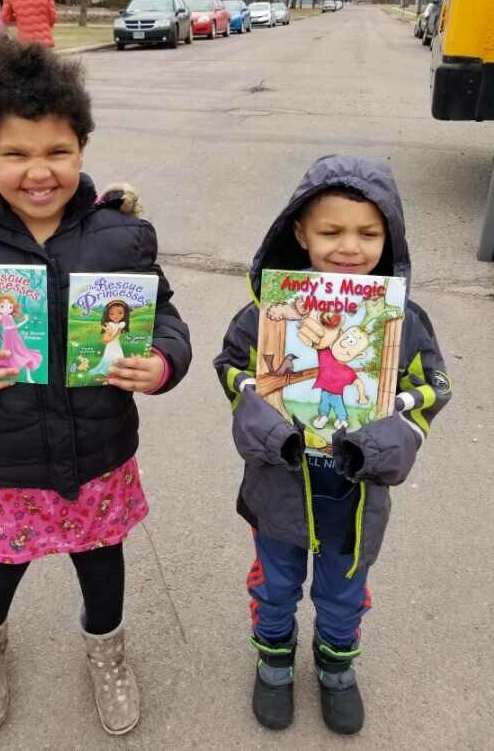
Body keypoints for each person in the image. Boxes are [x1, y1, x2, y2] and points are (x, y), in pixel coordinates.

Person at [0, 39, 191, 735]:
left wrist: (162, 361)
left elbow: (165, 317)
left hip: (99, 449)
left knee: (102, 562)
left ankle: (108, 651)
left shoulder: (122, 235)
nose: (37, 171)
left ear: (82, 147)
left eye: (56, 151)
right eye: (15, 153)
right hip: (4, 456)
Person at [214, 155, 452, 735]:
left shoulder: (404, 322)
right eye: (331, 231)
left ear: (388, 236)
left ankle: (336, 667)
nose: (350, 246)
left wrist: (385, 439)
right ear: (300, 233)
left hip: (355, 494)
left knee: (343, 590)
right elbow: (232, 370)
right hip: (280, 484)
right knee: (274, 583)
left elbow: (430, 389)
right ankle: (274, 660)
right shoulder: (267, 313)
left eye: (368, 233)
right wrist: (269, 428)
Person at [89, 300, 130, 378]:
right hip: (111, 344)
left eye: (120, 313)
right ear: (108, 315)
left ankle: (117, 371)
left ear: (124, 314)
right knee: (109, 355)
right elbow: (107, 335)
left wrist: (110, 338)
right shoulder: (110, 324)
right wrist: (108, 335)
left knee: (117, 355)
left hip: (115, 343)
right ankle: (108, 371)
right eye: (111, 314)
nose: (116, 316)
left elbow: (117, 333)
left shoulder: (122, 324)